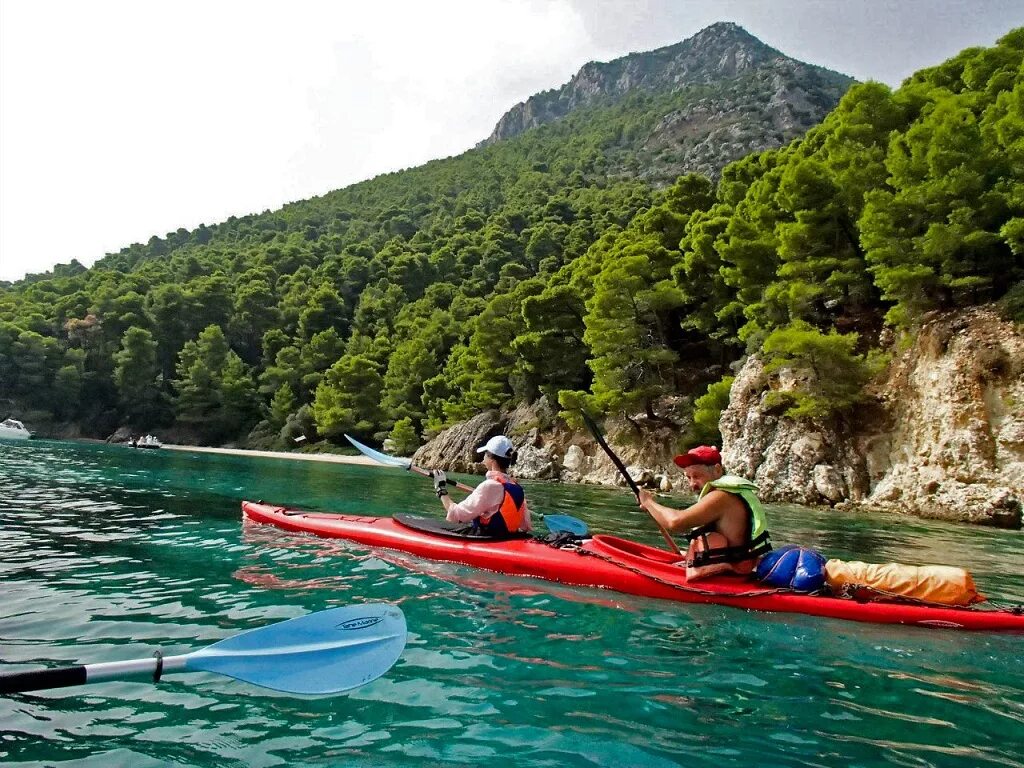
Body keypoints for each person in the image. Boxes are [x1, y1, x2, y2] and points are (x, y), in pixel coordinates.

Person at [637, 445, 771, 580]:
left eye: (697, 476)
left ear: (717, 470)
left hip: (729, 575)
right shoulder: (731, 494)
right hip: (733, 566)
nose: (692, 484)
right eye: (688, 477)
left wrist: (649, 502)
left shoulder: (721, 496)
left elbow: (675, 522)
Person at [431, 435, 533, 536]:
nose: (483, 457)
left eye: (485, 454)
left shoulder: (489, 486)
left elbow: (456, 515)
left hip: (489, 540)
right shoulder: (517, 488)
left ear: (491, 459)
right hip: (510, 538)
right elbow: (525, 526)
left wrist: (441, 488)